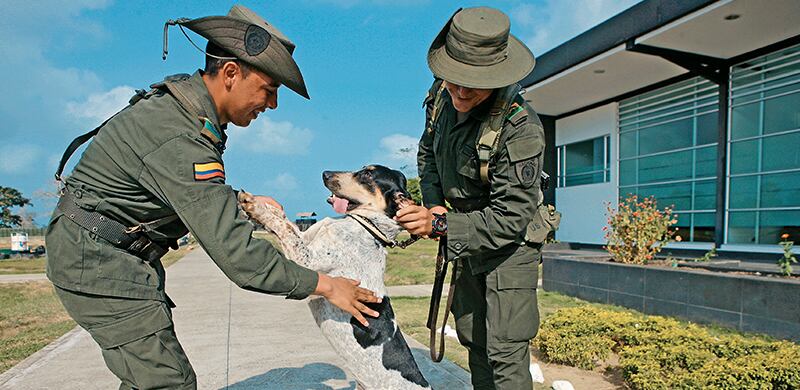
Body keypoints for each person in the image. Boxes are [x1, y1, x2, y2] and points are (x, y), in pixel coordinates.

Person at [45, 5, 379, 389]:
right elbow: (240, 259)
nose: (272, 105)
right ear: (232, 74)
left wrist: (240, 200)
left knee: (148, 377)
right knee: (167, 382)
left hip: (109, 252)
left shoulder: (184, 114)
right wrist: (327, 285)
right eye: (269, 90)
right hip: (97, 260)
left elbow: (176, 186)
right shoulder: (182, 134)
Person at [396, 6, 546, 390]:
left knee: (505, 353)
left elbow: (510, 218)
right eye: (453, 80)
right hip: (466, 240)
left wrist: (441, 225)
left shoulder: (520, 129)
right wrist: (434, 205)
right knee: (474, 340)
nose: (459, 92)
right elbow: (428, 153)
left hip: (510, 249)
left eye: (472, 84)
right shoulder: (442, 97)